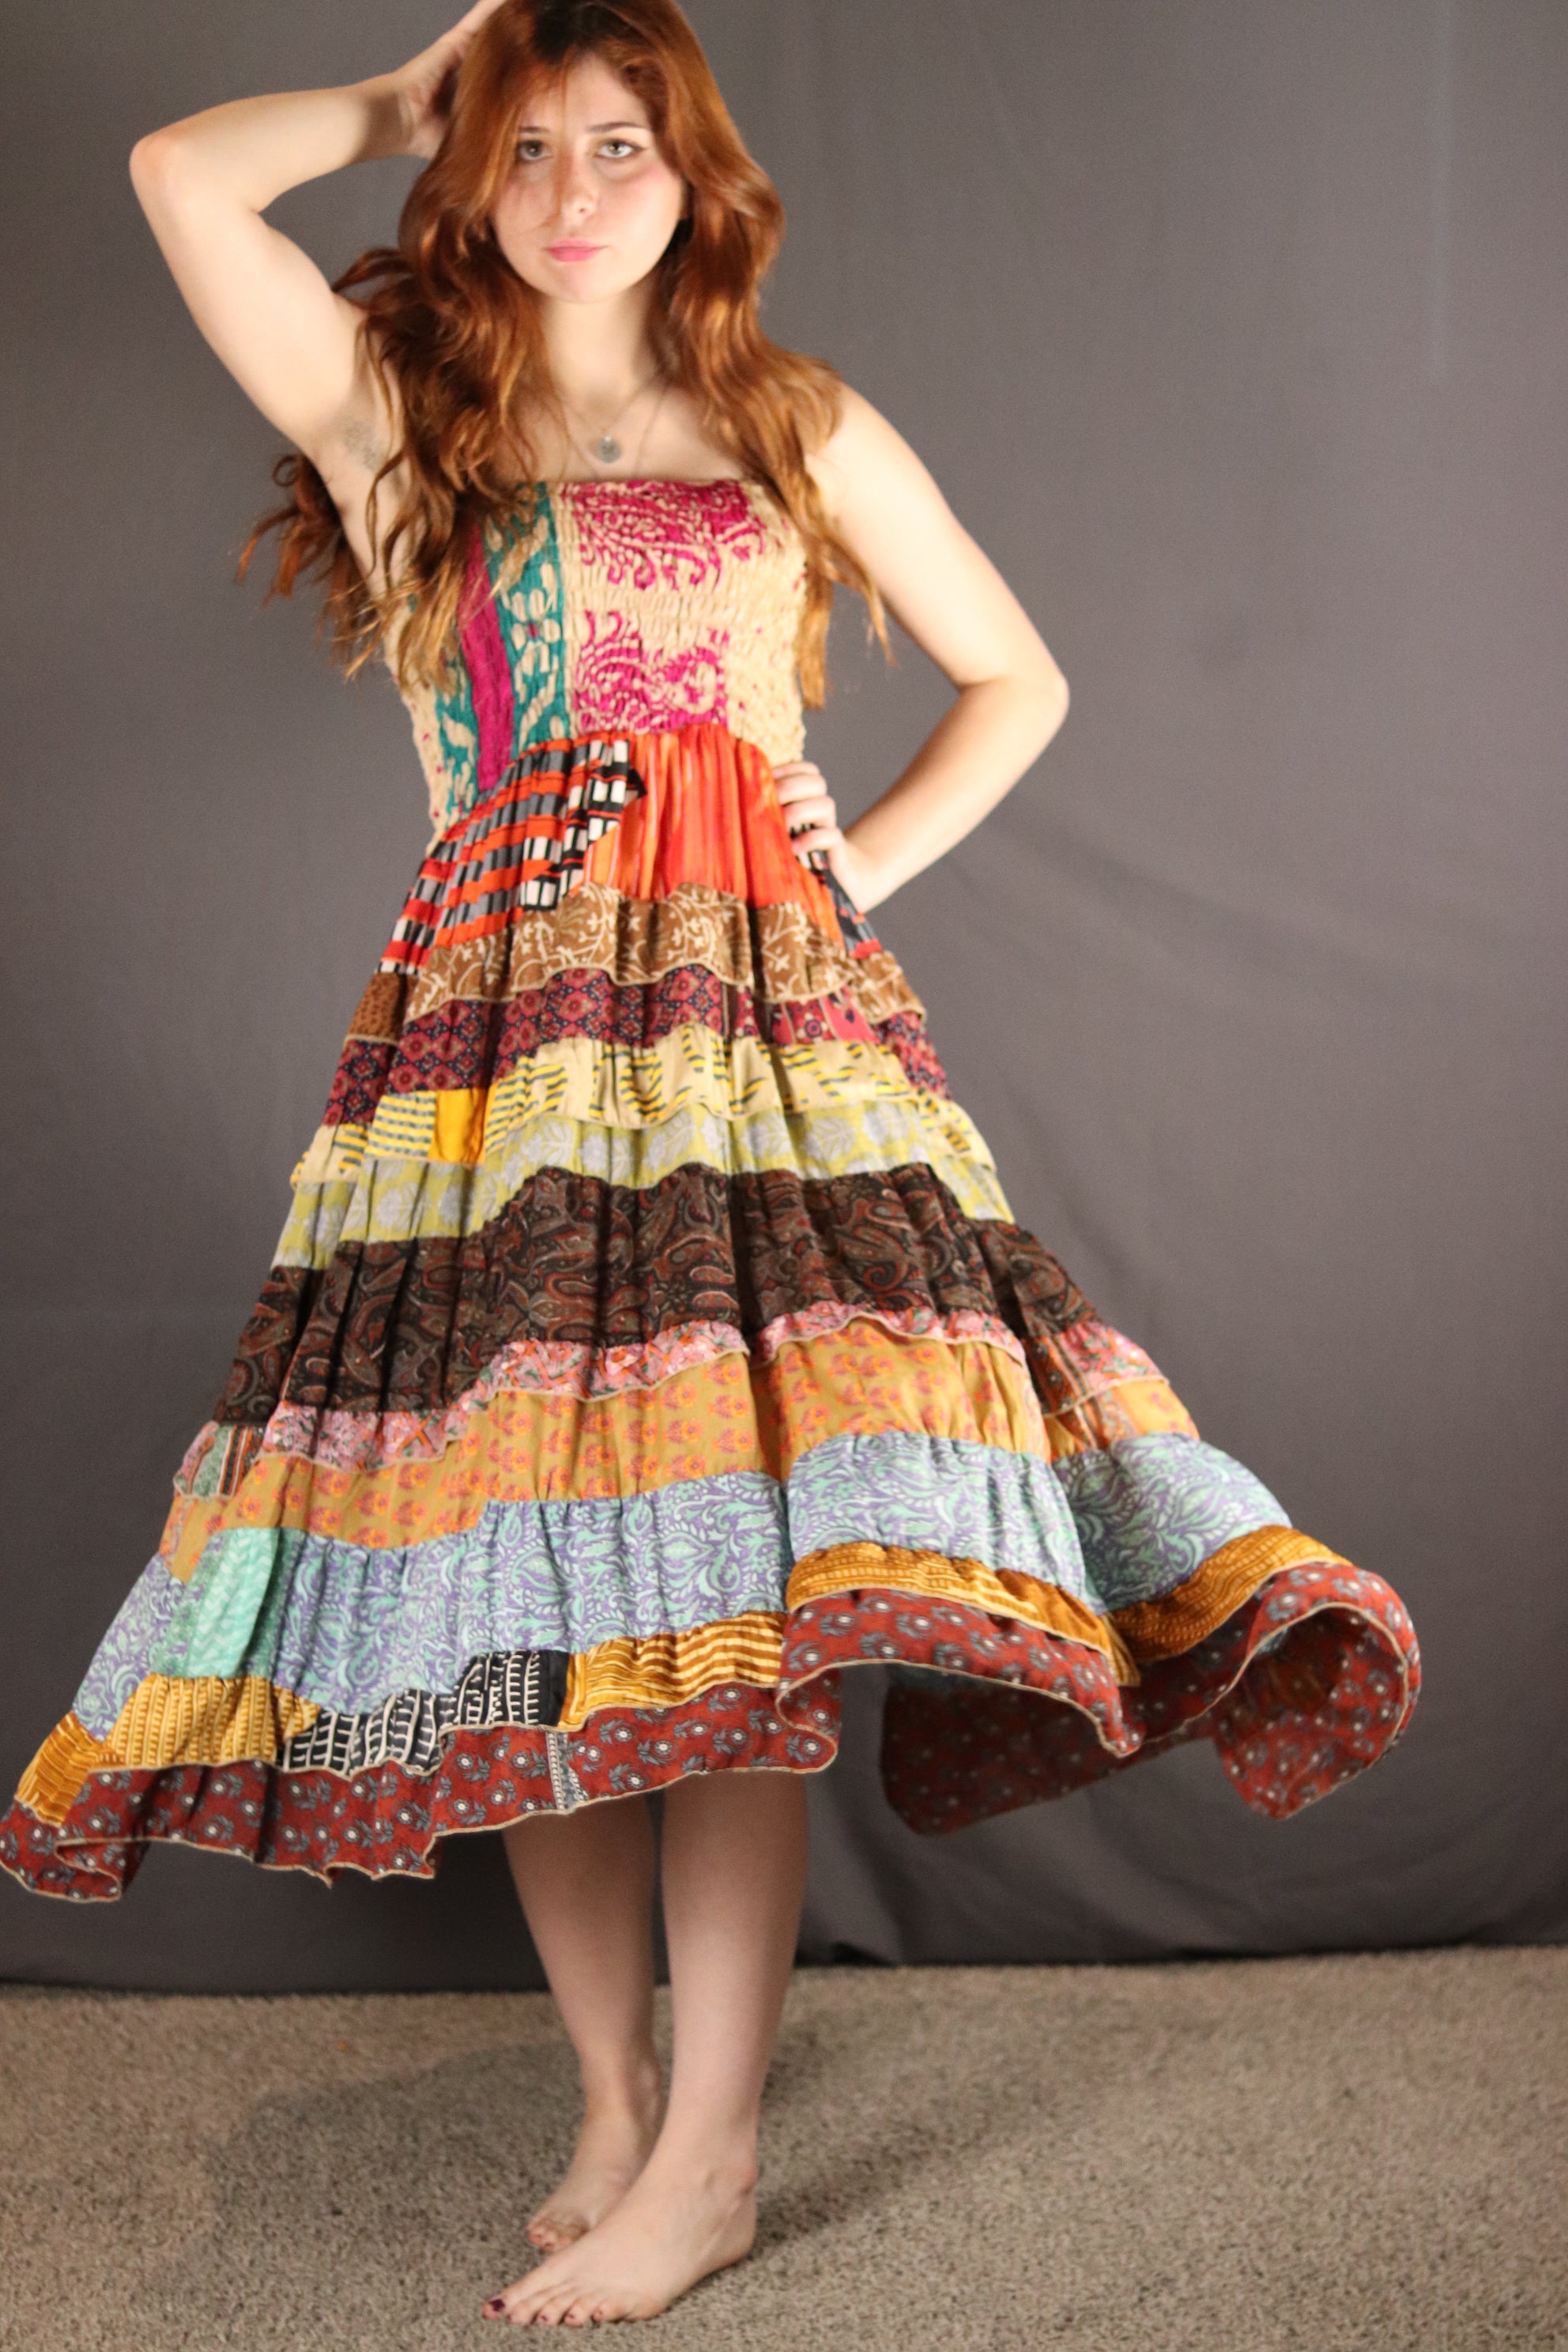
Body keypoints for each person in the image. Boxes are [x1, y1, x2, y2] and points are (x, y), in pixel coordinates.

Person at [0, 0, 1421, 2328]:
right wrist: (401, 92)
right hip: (496, 1086)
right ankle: (616, 2101)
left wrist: (849, 866)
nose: (575, 188)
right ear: (473, 175)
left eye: (623, 144)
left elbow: (1019, 678)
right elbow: (179, 175)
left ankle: (723, 2152)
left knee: (734, 1591)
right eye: (529, 144)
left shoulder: (798, 428)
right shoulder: (406, 434)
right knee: (543, 1601)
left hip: (769, 1070)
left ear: (697, 177)